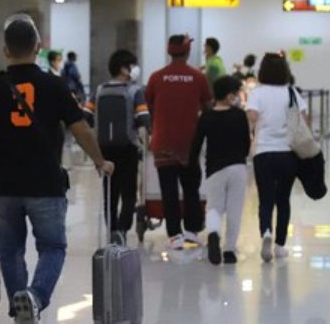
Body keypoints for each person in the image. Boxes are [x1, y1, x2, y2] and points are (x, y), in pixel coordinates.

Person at [0, 14, 113, 324]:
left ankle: (21, 306)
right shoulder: (54, 85)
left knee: (9, 251)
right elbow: (80, 129)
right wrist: (99, 161)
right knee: (53, 247)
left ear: (5, 50)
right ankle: (34, 298)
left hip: (5, 185)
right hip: (45, 183)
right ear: (38, 47)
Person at [145, 35, 212, 250]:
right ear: (187, 51)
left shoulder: (156, 78)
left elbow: (148, 107)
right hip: (189, 143)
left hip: (162, 141)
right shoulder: (198, 77)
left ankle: (174, 236)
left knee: (168, 190)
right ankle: (192, 231)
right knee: (191, 188)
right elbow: (208, 107)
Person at [246, 54, 309, 262]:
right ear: (284, 70)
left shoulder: (257, 93)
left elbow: (252, 118)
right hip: (287, 153)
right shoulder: (291, 92)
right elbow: (305, 120)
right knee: (283, 199)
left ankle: (266, 232)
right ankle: (280, 245)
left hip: (263, 152)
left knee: (265, 199)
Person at [85, 49, 150, 244]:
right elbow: (143, 120)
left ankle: (111, 231)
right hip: (128, 148)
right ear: (124, 69)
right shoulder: (134, 91)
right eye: (132, 66)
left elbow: (86, 117)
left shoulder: (99, 90)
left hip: (104, 149)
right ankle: (122, 230)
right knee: (129, 193)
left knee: (110, 193)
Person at [190, 75, 250, 265]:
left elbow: (196, 144)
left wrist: (192, 164)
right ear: (228, 94)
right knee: (234, 209)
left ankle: (214, 234)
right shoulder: (239, 115)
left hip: (215, 169)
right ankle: (230, 251)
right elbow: (246, 143)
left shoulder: (206, 116)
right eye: (234, 93)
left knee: (214, 207)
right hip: (238, 167)